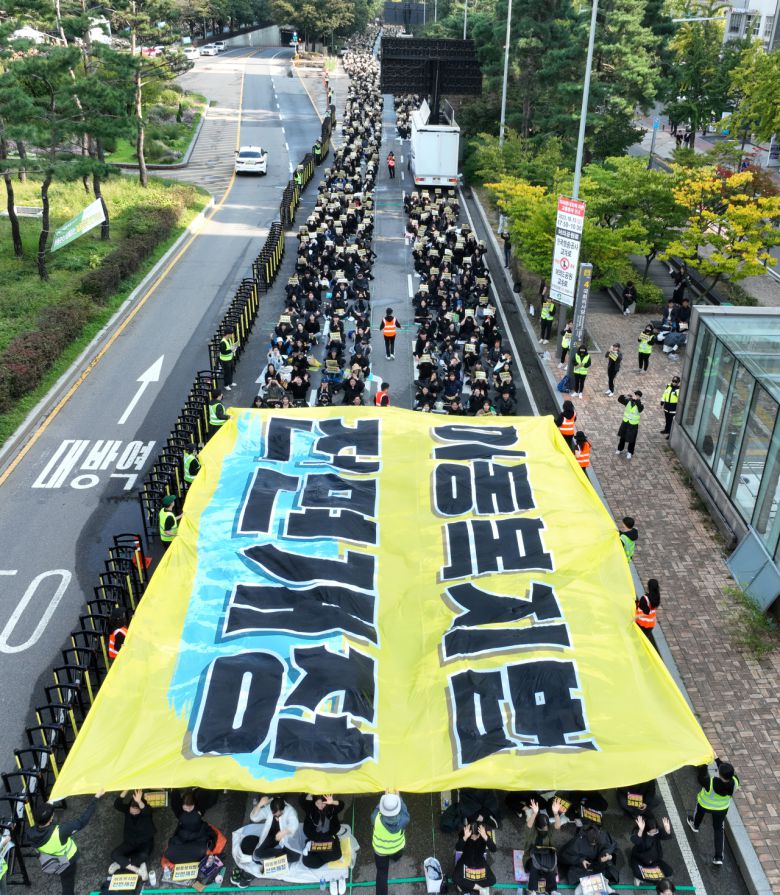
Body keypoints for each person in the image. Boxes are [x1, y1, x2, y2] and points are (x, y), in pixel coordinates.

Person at [29, 790, 105, 895]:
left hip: (52, 860)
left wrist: (49, 805)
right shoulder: (61, 832)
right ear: (51, 818)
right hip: (67, 862)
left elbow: (45, 826)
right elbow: (82, 821)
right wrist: (95, 798)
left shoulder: (30, 833)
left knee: (65, 879)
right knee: (68, 886)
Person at [688, 758, 740, 866]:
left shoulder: (710, 782)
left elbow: (701, 777)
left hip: (705, 805)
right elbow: (727, 773)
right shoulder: (735, 781)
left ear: (720, 774)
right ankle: (718, 857)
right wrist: (717, 760)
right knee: (718, 829)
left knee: (699, 813)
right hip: (721, 809)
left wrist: (706, 763)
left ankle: (695, 825)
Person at [108, 790, 156, 880]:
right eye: (131, 811)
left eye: (136, 811)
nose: (133, 813)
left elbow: (147, 811)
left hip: (145, 842)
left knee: (143, 856)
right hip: (130, 842)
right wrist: (126, 789)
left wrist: (139, 801)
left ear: (140, 809)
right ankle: (138, 870)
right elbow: (117, 804)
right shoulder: (127, 810)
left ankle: (121, 863)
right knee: (114, 854)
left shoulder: (146, 813)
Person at [558, 822, 620, 887]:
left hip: (597, 861)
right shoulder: (577, 841)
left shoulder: (602, 836)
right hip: (583, 863)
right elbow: (566, 855)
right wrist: (581, 860)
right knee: (575, 873)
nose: (595, 845)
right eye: (593, 844)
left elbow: (610, 846)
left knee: (611, 869)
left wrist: (606, 856)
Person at [372, 791, 409, 895]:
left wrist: (384, 798)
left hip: (380, 851)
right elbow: (404, 810)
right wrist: (398, 797)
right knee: (397, 854)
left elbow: (377, 809)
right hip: (397, 847)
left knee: (382, 873)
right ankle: (396, 858)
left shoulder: (375, 819)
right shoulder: (404, 819)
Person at [524, 798, 564, 895]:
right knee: (534, 867)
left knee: (550, 868)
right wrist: (534, 813)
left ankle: (553, 890)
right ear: (537, 827)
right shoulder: (532, 832)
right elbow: (529, 825)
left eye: (546, 826)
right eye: (543, 828)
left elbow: (557, 826)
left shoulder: (550, 830)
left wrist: (555, 813)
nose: (545, 829)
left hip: (547, 857)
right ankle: (532, 890)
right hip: (532, 856)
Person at [164, 790, 215, 864]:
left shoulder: (199, 808)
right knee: (171, 851)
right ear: (181, 805)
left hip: (198, 833)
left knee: (202, 848)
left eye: (190, 807)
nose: (188, 810)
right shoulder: (178, 810)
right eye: (185, 808)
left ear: (194, 804)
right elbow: (174, 798)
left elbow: (204, 793)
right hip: (183, 833)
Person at [250, 796, 300, 863]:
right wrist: (259, 805)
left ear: (283, 809)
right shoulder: (269, 809)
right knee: (257, 854)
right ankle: (281, 853)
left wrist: (284, 832)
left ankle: (280, 854)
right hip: (271, 836)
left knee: (296, 857)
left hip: (284, 837)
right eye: (275, 815)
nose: (277, 817)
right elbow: (254, 818)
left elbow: (294, 823)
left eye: (279, 815)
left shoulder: (290, 810)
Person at [300, 794, 344, 868]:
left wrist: (333, 802)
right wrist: (309, 794)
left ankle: (316, 851)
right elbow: (302, 801)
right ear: (314, 803)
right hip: (315, 839)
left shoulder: (331, 808)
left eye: (322, 803)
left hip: (328, 838)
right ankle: (323, 854)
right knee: (308, 862)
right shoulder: (311, 809)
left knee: (337, 855)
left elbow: (341, 805)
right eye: (317, 803)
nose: (320, 805)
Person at [453, 820, 497, 894]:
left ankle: (467, 887)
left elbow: (494, 849)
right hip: (465, 860)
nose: (474, 838)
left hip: (479, 861)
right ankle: (478, 888)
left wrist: (485, 837)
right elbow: (458, 848)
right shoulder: (464, 833)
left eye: (476, 836)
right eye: (472, 836)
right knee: (455, 878)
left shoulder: (484, 835)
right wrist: (465, 837)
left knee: (492, 880)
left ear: (480, 833)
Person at [630, 815, 673, 884]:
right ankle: (639, 878)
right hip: (640, 861)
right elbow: (636, 840)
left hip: (654, 861)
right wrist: (640, 830)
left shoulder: (657, 831)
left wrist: (667, 830)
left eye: (655, 831)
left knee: (669, 871)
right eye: (651, 832)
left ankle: (647, 878)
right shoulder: (641, 835)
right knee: (638, 873)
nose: (654, 833)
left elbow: (666, 836)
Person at [616, 390, 643, 459]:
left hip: (633, 424)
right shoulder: (628, 402)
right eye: (635, 395)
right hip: (625, 422)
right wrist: (625, 395)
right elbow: (619, 399)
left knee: (632, 439)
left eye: (637, 396)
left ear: (639, 397)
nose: (635, 396)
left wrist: (636, 400)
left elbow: (640, 409)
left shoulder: (640, 405)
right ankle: (619, 449)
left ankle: (630, 452)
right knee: (622, 437)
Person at [635, 578, 660, 644]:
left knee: (638, 638)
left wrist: (634, 618)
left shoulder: (645, 598)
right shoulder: (657, 597)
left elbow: (646, 612)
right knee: (644, 639)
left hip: (642, 623)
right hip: (651, 624)